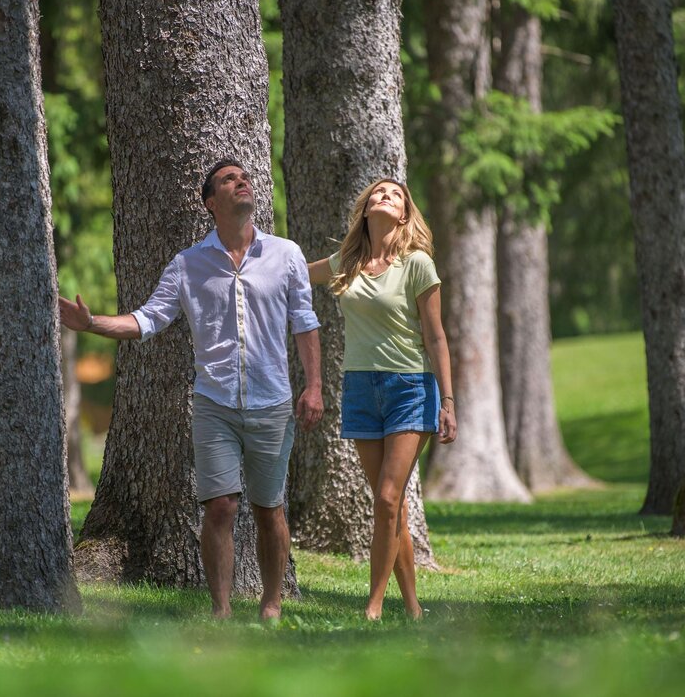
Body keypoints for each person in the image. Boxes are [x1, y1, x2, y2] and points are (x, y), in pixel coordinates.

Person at [59, 159, 323, 620]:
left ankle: (272, 603)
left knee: (269, 509)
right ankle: (221, 611)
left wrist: (314, 386)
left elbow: (304, 323)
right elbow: (148, 319)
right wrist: (93, 323)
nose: (241, 182)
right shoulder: (188, 265)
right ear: (210, 202)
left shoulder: (287, 255)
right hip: (214, 403)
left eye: (244, 178)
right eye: (228, 180)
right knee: (220, 507)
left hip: (272, 402)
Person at [306, 177, 456, 621]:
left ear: (405, 214)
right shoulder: (345, 263)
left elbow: (436, 336)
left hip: (410, 387)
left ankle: (373, 606)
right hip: (359, 389)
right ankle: (412, 608)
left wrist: (448, 402)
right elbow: (292, 270)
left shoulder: (417, 265)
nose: (386, 196)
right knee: (391, 504)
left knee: (388, 499)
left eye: (396, 195)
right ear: (366, 208)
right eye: (379, 192)